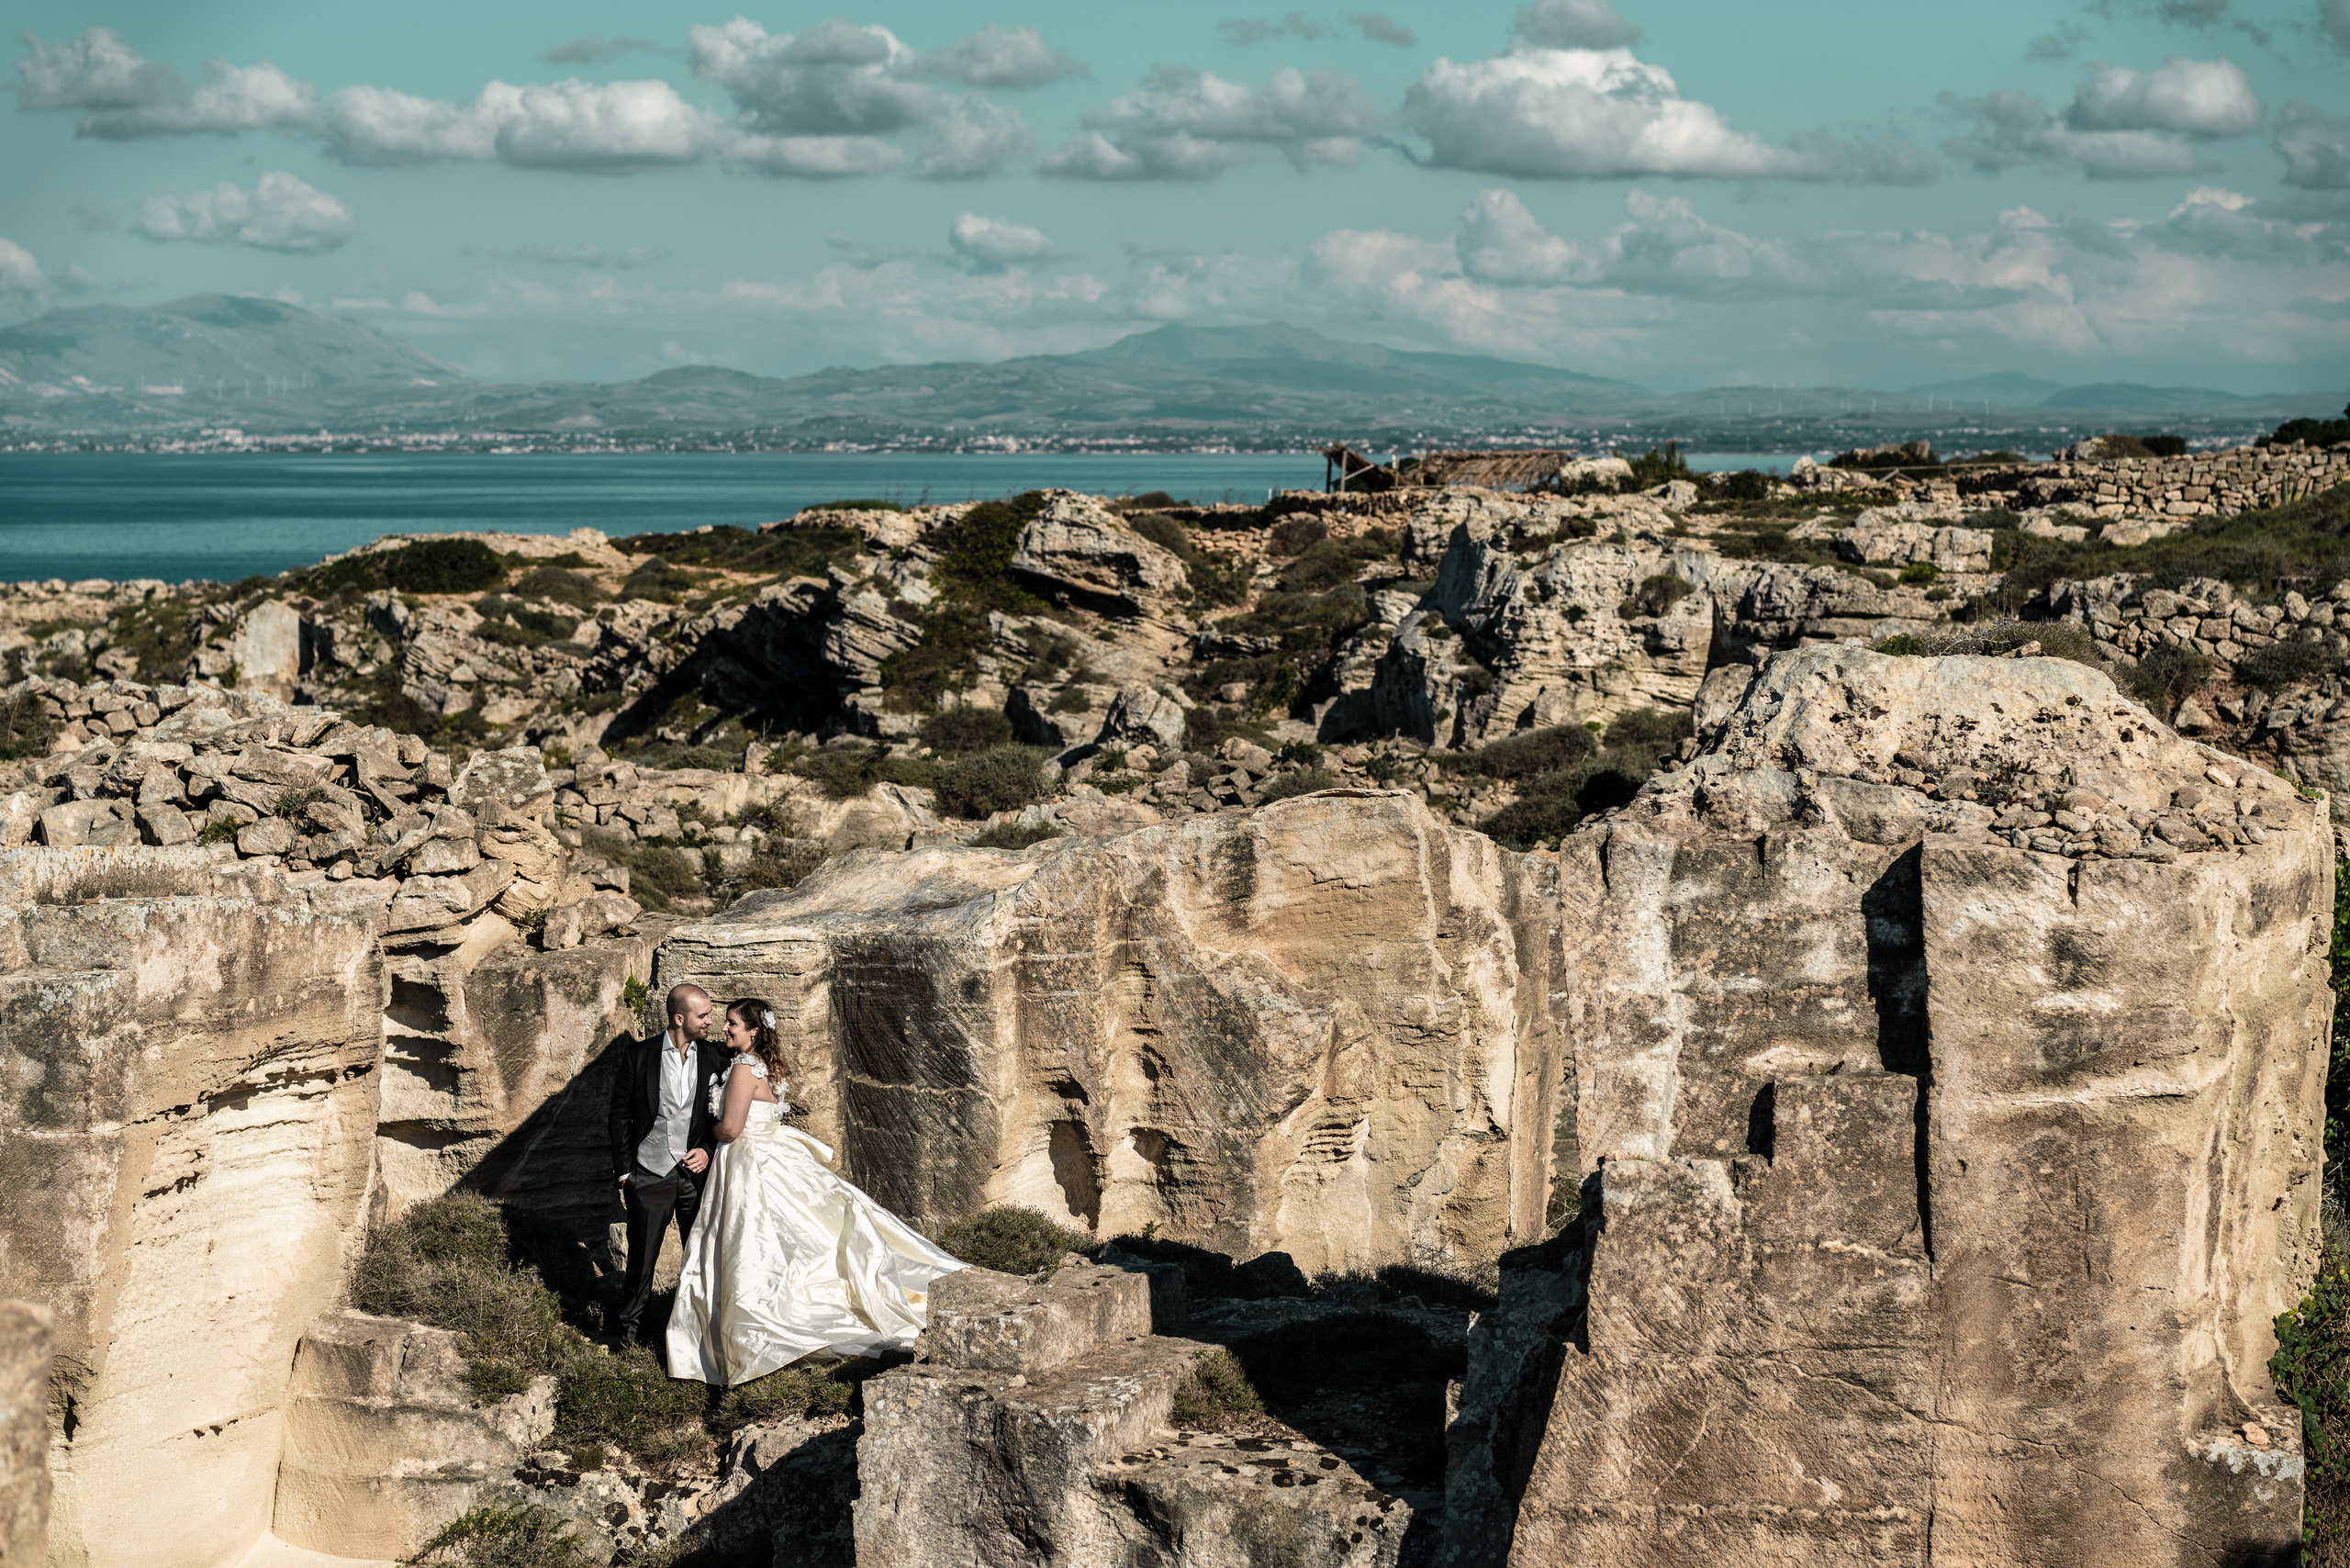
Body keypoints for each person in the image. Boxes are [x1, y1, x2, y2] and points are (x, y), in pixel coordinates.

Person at [666, 997, 965, 1386]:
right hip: (773, 1153)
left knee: (750, 1243)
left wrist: (706, 1131)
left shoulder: (743, 1067)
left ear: (752, 1031)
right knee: (796, 1236)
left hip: (747, 1160)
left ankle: (753, 1332)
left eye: (732, 1023)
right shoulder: (770, 1066)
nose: (725, 1028)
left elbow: (732, 1129)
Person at [606, 982, 728, 1346]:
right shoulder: (639, 1055)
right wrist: (625, 1173)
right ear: (679, 1018)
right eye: (702, 1015)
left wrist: (708, 1149)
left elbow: (723, 1113)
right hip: (649, 1174)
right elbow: (619, 1116)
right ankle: (626, 1339)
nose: (710, 1021)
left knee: (702, 1258)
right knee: (641, 1262)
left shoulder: (714, 1056)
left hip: (696, 1178)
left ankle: (698, 1336)